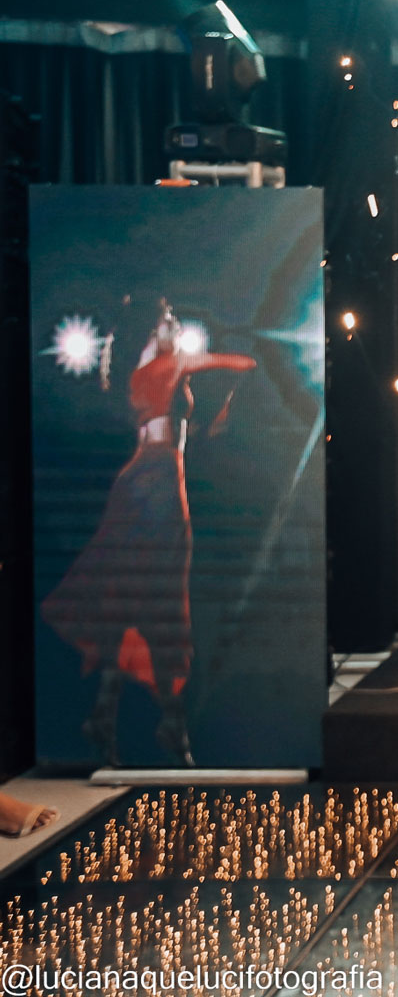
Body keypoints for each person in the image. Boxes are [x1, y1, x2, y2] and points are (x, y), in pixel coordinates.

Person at [40, 300, 257, 767]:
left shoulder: (139, 374)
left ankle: (110, 716)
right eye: (169, 321)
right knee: (160, 601)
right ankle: (169, 725)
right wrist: (226, 410)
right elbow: (242, 363)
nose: (177, 326)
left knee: (135, 599)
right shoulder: (171, 363)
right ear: (154, 329)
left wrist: (207, 417)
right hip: (159, 481)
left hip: (144, 479)